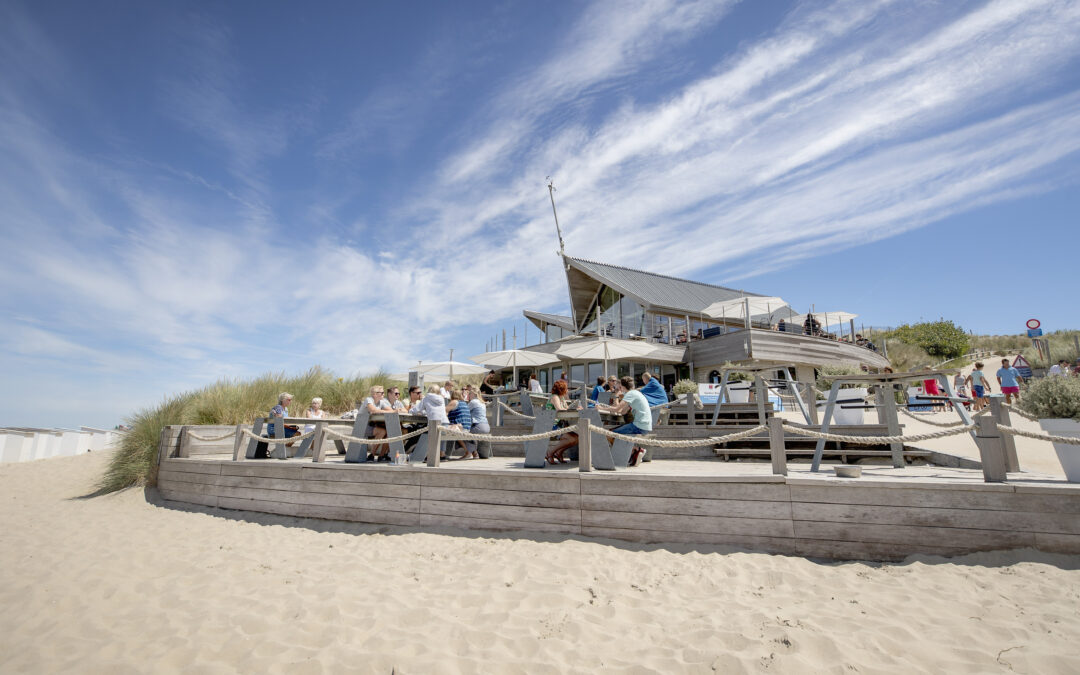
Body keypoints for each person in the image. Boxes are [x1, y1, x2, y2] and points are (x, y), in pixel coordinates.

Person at [598, 376, 652, 466]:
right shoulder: (636, 393)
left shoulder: (630, 394)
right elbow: (622, 411)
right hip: (645, 425)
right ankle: (634, 452)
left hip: (639, 425)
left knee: (609, 434)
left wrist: (600, 407)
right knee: (612, 433)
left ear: (622, 386)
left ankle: (635, 450)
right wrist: (616, 397)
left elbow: (616, 409)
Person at [544, 379, 581, 465]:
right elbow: (559, 409)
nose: (567, 390)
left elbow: (566, 409)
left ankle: (558, 453)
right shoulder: (555, 397)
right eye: (566, 388)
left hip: (561, 425)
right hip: (553, 426)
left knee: (577, 438)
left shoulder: (561, 397)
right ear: (561, 389)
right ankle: (550, 452)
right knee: (572, 438)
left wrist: (575, 409)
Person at [361, 386, 394, 461]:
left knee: (389, 432)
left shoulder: (381, 402)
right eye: (382, 393)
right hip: (362, 426)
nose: (383, 394)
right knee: (382, 431)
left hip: (372, 425)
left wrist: (394, 411)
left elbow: (391, 411)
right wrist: (387, 411)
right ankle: (372, 454)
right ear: (375, 394)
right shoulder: (368, 400)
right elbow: (374, 410)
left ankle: (381, 455)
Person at [463, 388, 490, 459]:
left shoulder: (473, 402)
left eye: (470, 394)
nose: (469, 395)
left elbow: (464, 411)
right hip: (486, 426)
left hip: (479, 426)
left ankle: (469, 453)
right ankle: (474, 453)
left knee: (463, 432)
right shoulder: (482, 402)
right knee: (470, 431)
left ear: (474, 394)